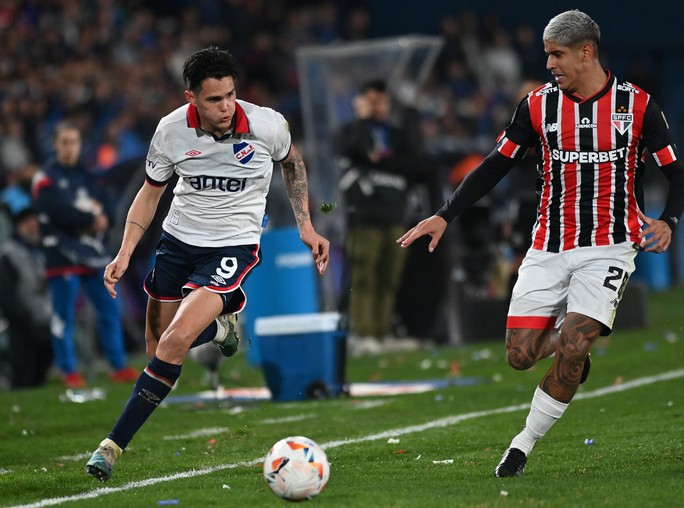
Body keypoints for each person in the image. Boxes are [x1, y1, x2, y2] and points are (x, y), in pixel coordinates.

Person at [398, 10, 684, 477]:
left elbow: (677, 175)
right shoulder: (537, 106)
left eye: (557, 54)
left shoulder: (637, 106)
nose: (549, 63)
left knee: (573, 345)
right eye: (547, 53)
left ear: (586, 51)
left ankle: (522, 445)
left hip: (611, 245)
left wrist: (670, 220)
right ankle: (575, 348)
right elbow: (496, 164)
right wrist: (445, 214)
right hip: (548, 245)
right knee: (520, 356)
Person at [85, 46, 329, 482]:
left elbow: (293, 165)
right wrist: (123, 252)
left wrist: (305, 227)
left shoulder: (267, 124)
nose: (225, 106)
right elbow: (150, 192)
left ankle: (111, 447)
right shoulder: (170, 131)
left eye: (231, 95)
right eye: (214, 99)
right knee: (156, 350)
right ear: (190, 98)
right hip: (178, 242)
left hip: (232, 245)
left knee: (176, 340)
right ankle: (219, 327)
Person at [33, 122, 139, 389]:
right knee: (64, 315)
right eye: (65, 142)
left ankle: (118, 365)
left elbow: (110, 208)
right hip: (61, 255)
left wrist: (99, 217)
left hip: (92, 254)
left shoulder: (88, 176)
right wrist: (91, 218)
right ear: (55, 145)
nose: (70, 148)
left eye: (74, 142)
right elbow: (55, 213)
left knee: (109, 309)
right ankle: (68, 370)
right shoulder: (45, 178)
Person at [335, 79, 420, 353]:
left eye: (381, 101)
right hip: (365, 215)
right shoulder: (351, 131)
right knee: (364, 275)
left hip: (395, 213)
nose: (377, 106)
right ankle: (363, 334)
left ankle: (381, 334)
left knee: (389, 276)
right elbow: (350, 150)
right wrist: (361, 122)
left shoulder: (396, 134)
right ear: (360, 103)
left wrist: (379, 158)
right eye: (371, 101)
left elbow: (413, 162)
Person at [0, 206, 54, 389]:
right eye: (26, 223)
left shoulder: (41, 251)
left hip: (45, 320)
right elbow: (7, 295)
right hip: (22, 324)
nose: (32, 227)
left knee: (40, 377)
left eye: (34, 222)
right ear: (17, 227)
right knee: (23, 376)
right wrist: (26, 320)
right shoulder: (8, 254)